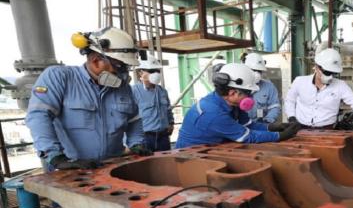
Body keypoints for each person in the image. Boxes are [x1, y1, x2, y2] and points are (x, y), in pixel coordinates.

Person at [26, 27, 151, 170]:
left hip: (112, 166)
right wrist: (56, 157)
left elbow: (134, 120)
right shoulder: (60, 77)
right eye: (119, 66)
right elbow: (39, 116)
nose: (122, 74)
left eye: (126, 68)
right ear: (96, 60)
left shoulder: (123, 88)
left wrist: (136, 144)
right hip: (71, 168)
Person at [175, 63, 300, 148]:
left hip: (214, 147)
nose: (251, 98)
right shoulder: (213, 113)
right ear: (233, 92)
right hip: (190, 155)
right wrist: (281, 136)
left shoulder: (232, 104)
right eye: (248, 93)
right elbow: (246, 136)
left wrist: (275, 127)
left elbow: (249, 125)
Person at [284, 48, 353, 128]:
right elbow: (290, 101)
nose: (330, 76)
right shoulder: (300, 82)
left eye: (333, 73)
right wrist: (292, 117)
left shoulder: (340, 85)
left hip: (327, 129)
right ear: (317, 67)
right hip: (300, 128)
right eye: (327, 72)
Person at [131, 54, 174, 152]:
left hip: (163, 137)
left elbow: (168, 110)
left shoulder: (162, 91)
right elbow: (128, 118)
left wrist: (171, 123)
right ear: (140, 73)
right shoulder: (133, 92)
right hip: (145, 138)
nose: (156, 74)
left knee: (165, 164)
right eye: (151, 71)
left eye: (157, 71)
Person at [242, 53, 281, 123]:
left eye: (259, 71)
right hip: (242, 125)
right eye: (253, 70)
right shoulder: (238, 87)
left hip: (261, 125)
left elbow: (275, 106)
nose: (256, 74)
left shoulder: (269, 86)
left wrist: (268, 120)